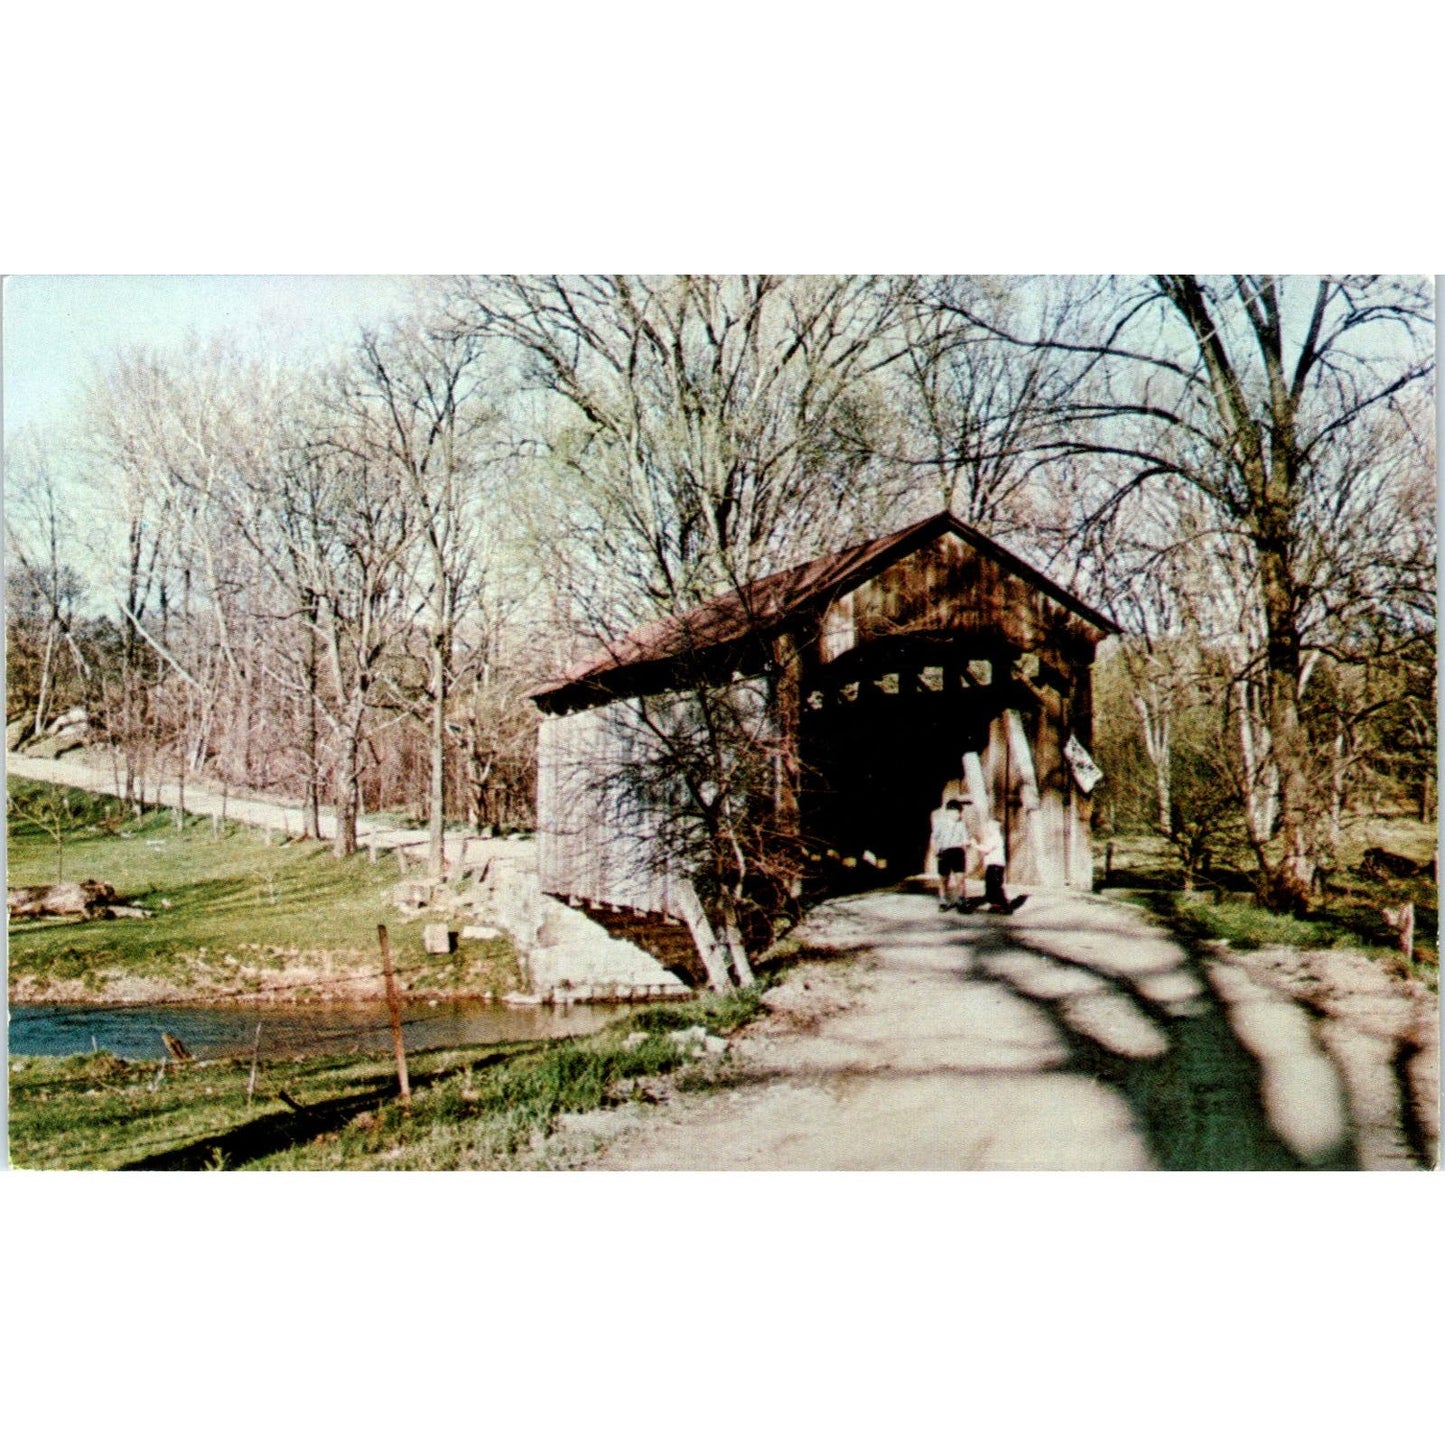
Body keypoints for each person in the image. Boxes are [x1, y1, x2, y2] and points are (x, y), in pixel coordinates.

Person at [973, 813, 1026, 913]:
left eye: (990, 825)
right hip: (992, 865)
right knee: (990, 886)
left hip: (995, 866)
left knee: (996, 886)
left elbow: (986, 849)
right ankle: (995, 905)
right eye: (988, 825)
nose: (988, 828)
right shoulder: (992, 837)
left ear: (996, 826)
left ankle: (1005, 905)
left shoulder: (995, 837)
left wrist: (975, 845)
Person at [930, 797, 969, 910]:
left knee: (960, 878)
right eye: (956, 812)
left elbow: (965, 839)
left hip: (958, 852)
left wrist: (966, 844)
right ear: (949, 812)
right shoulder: (940, 823)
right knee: (943, 879)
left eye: (959, 813)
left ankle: (961, 900)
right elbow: (933, 838)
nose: (958, 815)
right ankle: (943, 900)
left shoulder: (961, 825)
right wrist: (935, 851)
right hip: (945, 851)